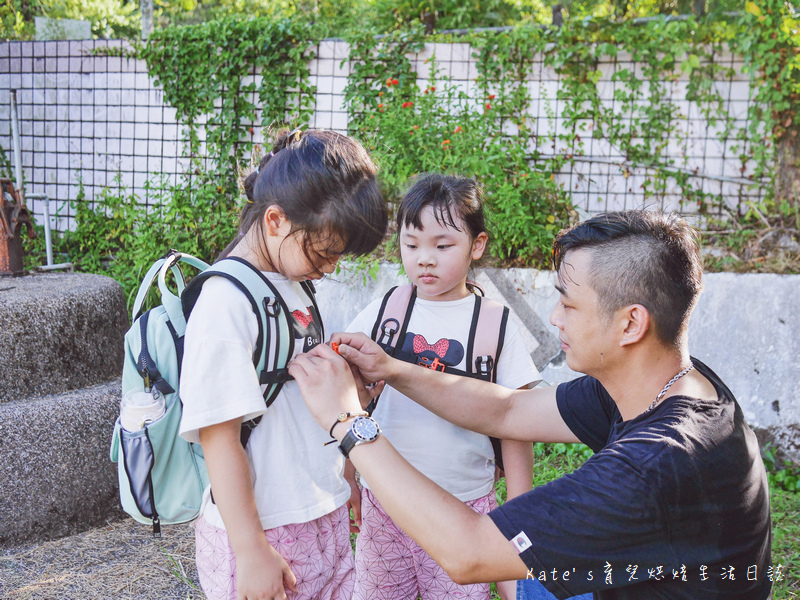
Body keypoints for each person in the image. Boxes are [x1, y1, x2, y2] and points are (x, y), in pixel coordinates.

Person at [289, 210, 772, 600]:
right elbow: (508, 411)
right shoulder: (667, 381)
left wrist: (348, 423)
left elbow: (468, 554)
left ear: (631, 325)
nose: (554, 316)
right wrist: (392, 368)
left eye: (569, 303)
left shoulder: (654, 465)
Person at [178, 128, 388, 600]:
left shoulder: (291, 279)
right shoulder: (225, 303)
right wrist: (251, 552)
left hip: (318, 511)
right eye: (323, 252)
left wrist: (344, 481)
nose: (330, 267)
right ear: (275, 220)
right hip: (265, 530)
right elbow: (219, 438)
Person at [344, 174, 540, 600]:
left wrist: (520, 512)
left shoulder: (493, 323)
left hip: (464, 509)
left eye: (442, 245)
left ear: (478, 245)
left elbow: (517, 419)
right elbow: (348, 395)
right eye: (411, 245)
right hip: (386, 504)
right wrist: (348, 480)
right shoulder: (388, 310)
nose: (424, 259)